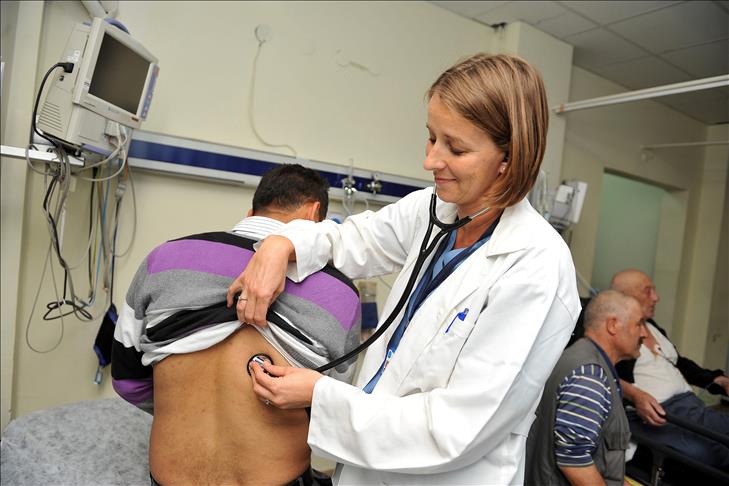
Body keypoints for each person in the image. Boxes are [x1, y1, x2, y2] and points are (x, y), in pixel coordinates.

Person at [227, 53, 582, 485]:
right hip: (363, 469)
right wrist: (281, 243)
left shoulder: (535, 263)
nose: (430, 161)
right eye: (431, 138)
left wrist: (320, 395)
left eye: (455, 148)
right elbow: (351, 240)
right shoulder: (434, 209)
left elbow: (455, 430)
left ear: (508, 157)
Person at [111, 164, 362, 486]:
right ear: (315, 214)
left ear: (251, 213)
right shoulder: (339, 293)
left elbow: (127, 381)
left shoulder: (162, 259)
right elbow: (330, 408)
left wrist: (185, 408)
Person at [609, 269, 729, 469]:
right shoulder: (615, 331)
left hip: (690, 406)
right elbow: (600, 373)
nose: (656, 297)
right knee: (711, 452)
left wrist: (717, 379)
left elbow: (679, 363)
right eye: (648, 291)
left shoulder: (652, 326)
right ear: (625, 297)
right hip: (659, 413)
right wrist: (633, 394)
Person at [526, 290, 647, 486]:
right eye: (639, 324)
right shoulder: (590, 376)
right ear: (612, 325)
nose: (644, 333)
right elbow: (575, 462)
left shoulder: (579, 358)